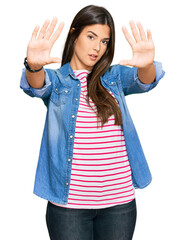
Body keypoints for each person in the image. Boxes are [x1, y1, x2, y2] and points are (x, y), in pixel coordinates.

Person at [20, 5, 165, 240]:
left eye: (105, 41)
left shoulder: (114, 77)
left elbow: (144, 80)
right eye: (91, 37)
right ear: (74, 34)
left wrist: (146, 64)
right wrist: (33, 66)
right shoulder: (58, 81)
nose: (98, 47)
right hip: (69, 206)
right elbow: (36, 85)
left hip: (119, 204)